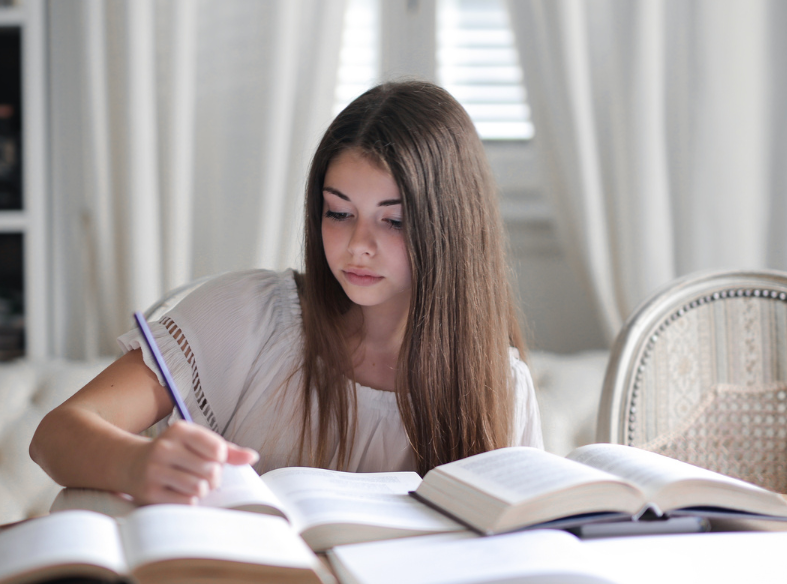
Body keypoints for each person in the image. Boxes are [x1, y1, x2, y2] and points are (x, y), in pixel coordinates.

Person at [29, 80, 543, 506]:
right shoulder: (250, 317)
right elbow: (55, 436)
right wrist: (137, 463)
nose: (357, 246)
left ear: (449, 228)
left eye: (393, 221)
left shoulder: (498, 386)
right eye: (338, 213)